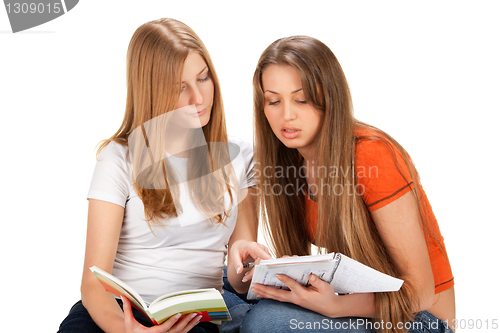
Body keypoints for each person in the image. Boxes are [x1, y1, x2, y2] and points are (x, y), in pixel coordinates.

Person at [58, 18, 269, 333]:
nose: (198, 98)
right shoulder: (119, 157)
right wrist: (128, 330)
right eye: (179, 88)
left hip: (191, 317)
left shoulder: (240, 156)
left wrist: (245, 260)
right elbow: (92, 282)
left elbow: (239, 280)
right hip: (117, 310)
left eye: (203, 78)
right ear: (152, 92)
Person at [234, 36, 455, 333]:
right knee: (234, 301)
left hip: (419, 319)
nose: (287, 114)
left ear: (329, 97)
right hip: (356, 310)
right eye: (274, 101)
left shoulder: (371, 155)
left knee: (264, 321)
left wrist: (337, 306)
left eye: (301, 99)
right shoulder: (286, 165)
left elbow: (420, 292)